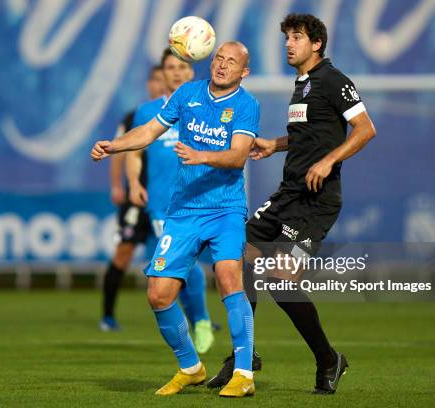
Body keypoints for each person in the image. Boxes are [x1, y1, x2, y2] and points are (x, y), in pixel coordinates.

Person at [207, 14, 376, 394]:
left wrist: (329, 160)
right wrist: (274, 143)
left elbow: (366, 129)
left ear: (316, 44)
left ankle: (329, 359)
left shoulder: (334, 81)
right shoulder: (301, 85)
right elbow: (309, 135)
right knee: (234, 259)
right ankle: (243, 356)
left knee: (281, 282)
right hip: (287, 194)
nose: (288, 43)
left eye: (296, 37)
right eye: (286, 37)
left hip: (316, 202)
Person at [92, 41, 259, 398]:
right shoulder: (187, 93)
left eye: (232, 62)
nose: (222, 65)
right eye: (219, 58)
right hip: (183, 211)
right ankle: (191, 368)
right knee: (158, 294)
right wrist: (114, 146)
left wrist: (201, 155)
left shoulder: (246, 105)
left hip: (225, 208)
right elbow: (149, 131)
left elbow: (238, 156)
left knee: (229, 276)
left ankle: (244, 373)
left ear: (243, 72)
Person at [126, 48, 215, 354]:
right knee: (168, 271)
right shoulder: (146, 112)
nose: (176, 72)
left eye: (182, 67)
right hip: (161, 201)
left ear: (191, 73)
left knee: (182, 264)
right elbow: (134, 151)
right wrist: (135, 181)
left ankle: (200, 322)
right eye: (170, 67)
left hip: (196, 197)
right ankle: (198, 322)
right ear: (162, 73)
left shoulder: (205, 108)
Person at [99, 65, 166, 331]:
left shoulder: (183, 113)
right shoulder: (135, 116)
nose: (160, 84)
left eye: (164, 79)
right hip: (137, 197)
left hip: (168, 198)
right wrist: (118, 185)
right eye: (156, 79)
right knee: (124, 251)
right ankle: (107, 316)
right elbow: (120, 152)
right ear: (149, 84)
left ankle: (198, 320)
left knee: (176, 259)